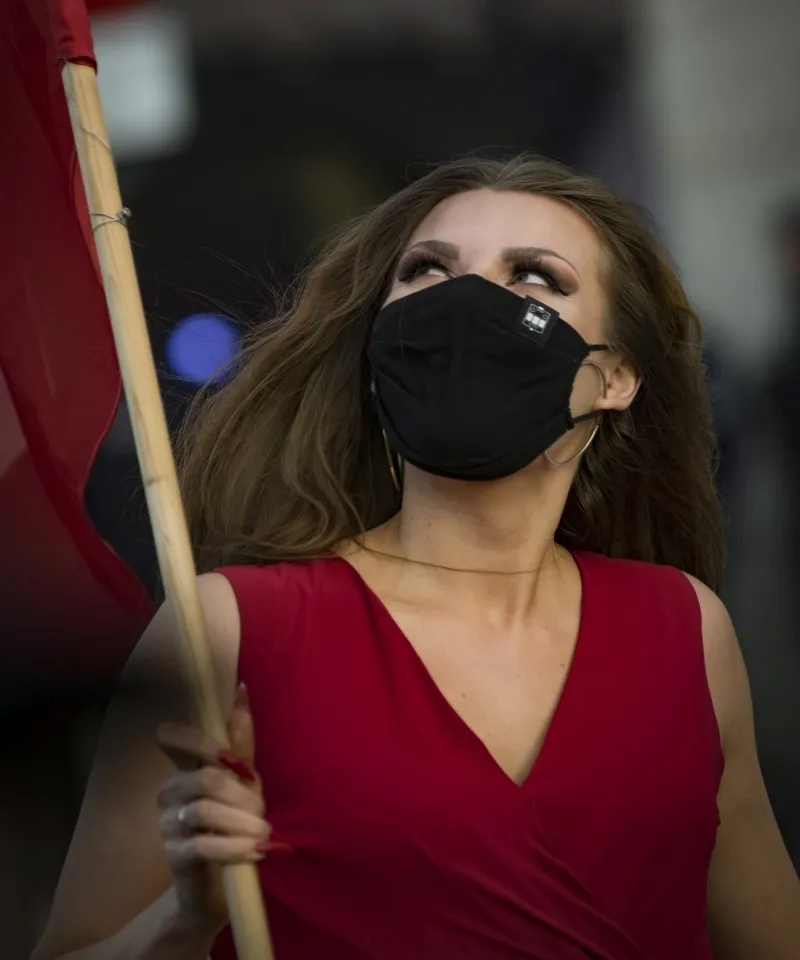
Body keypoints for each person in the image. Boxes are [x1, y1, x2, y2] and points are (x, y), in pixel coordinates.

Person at [33, 156, 800, 960]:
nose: (466, 301)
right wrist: (183, 921)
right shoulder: (224, 633)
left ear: (612, 377)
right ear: (379, 354)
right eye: (427, 270)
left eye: (535, 278)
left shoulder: (684, 629)